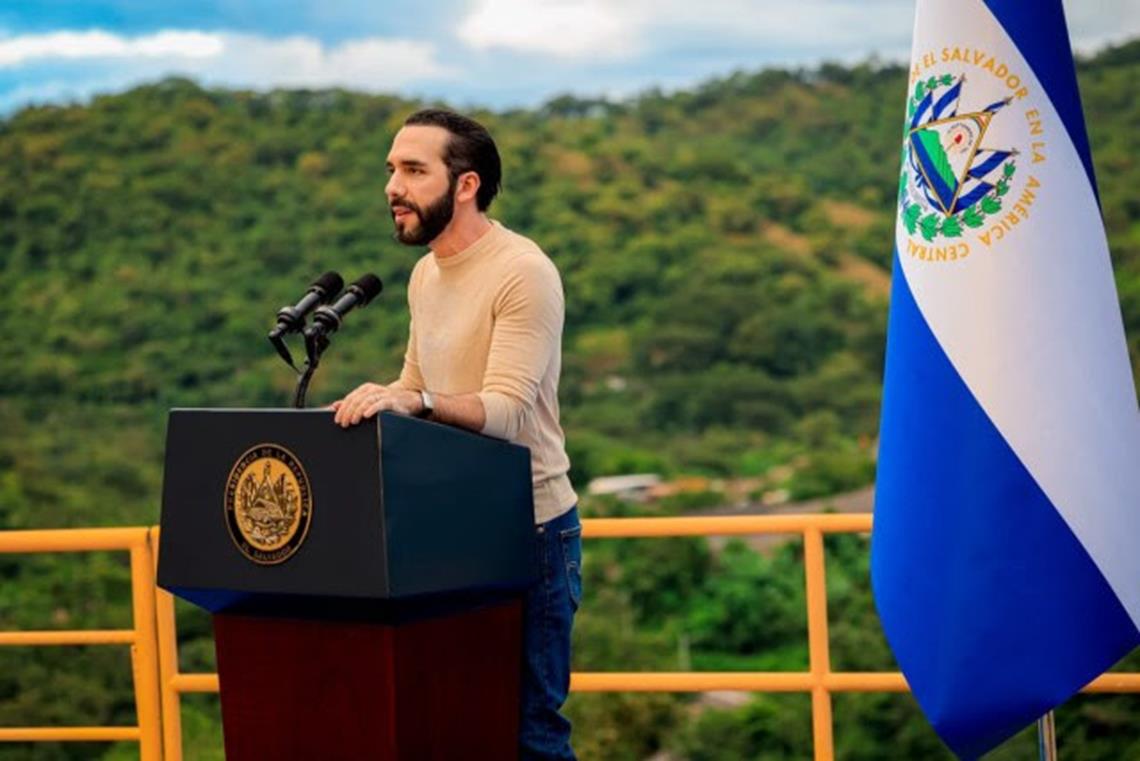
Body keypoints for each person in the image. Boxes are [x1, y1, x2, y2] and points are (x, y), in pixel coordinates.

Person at [330, 108, 581, 760]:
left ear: (466, 185)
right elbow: (417, 384)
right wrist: (373, 403)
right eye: (392, 170)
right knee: (458, 721)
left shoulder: (521, 270)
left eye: (414, 171)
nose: (393, 187)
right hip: (447, 530)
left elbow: (506, 412)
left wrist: (412, 399)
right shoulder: (425, 274)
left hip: (528, 530)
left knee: (529, 732)